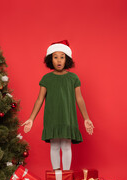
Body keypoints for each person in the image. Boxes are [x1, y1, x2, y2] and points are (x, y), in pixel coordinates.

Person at [22, 40, 94, 170]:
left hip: (68, 118)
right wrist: (31, 119)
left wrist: (86, 118)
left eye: (62, 57)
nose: (59, 60)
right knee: (54, 146)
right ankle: (56, 176)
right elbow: (39, 99)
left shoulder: (73, 78)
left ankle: (65, 177)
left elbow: (79, 99)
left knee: (66, 146)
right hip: (52, 119)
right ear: (51, 59)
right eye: (55, 57)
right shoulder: (46, 79)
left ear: (67, 59)